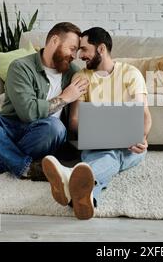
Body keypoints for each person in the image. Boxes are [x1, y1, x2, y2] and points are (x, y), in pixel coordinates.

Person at [0, 22, 89, 181]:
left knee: (55, 127)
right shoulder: (21, 67)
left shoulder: (74, 73)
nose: (74, 55)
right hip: (10, 129)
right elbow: (28, 113)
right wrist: (65, 97)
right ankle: (26, 168)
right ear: (54, 41)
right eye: (72, 48)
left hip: (44, 135)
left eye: (76, 51)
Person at [42, 27, 152, 220]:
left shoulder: (131, 74)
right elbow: (74, 121)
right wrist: (101, 132)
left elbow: (144, 114)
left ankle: (70, 179)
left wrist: (142, 137)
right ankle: (88, 199)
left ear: (100, 49)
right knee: (109, 156)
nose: (79, 55)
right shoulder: (82, 78)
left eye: (84, 49)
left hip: (131, 148)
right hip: (95, 145)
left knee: (115, 154)